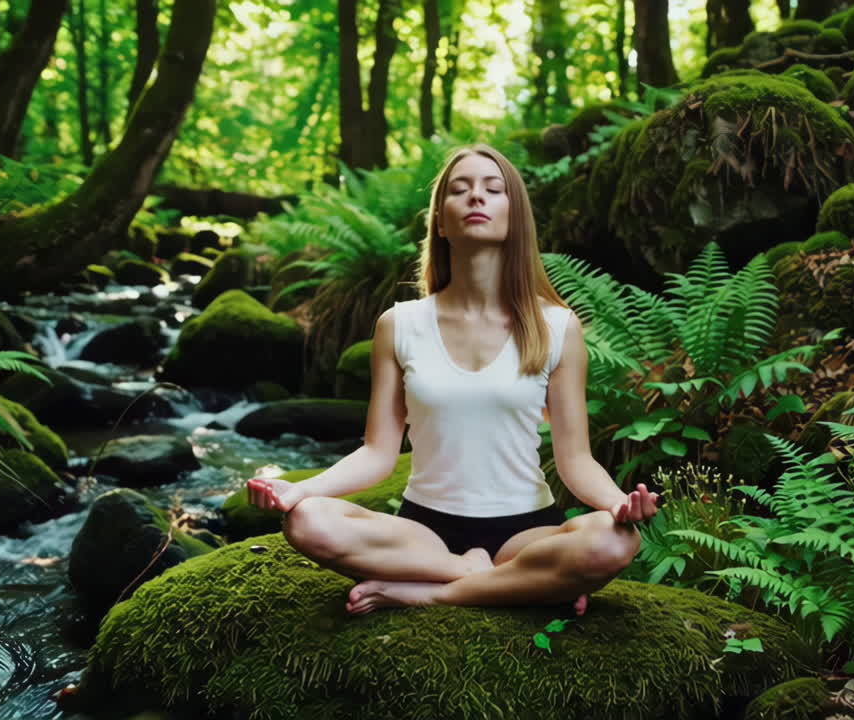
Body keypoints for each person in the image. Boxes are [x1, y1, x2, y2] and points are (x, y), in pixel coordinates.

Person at [246, 144, 658, 616]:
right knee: (307, 523)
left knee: (613, 542)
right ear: (441, 221)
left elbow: (575, 460)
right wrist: (301, 490)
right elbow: (379, 453)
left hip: (526, 532)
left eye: (492, 189)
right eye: (460, 191)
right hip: (424, 532)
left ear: (514, 215)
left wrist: (618, 504)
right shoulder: (399, 325)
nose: (476, 198)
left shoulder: (558, 327)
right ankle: (508, 584)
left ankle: (433, 591)